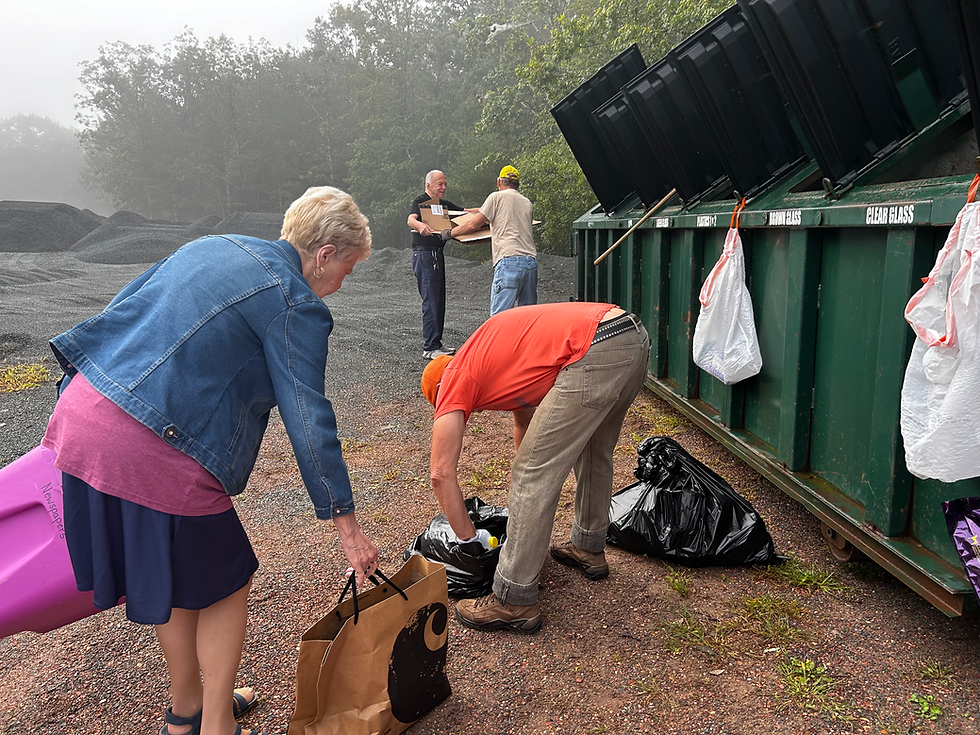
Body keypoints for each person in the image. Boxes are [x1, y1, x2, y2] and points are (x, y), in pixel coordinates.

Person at [42, 186, 380, 735]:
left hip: (84, 409)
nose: (342, 282)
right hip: (148, 439)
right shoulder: (295, 301)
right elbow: (308, 416)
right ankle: (215, 725)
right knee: (227, 578)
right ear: (324, 254)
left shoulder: (214, 244)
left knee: (184, 576)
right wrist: (347, 526)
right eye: (347, 267)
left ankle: (187, 710)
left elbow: (124, 310)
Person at [420, 302, 650, 633]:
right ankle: (588, 546)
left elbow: (440, 474)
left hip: (594, 346)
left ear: (441, 391)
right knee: (594, 450)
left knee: (532, 471)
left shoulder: (455, 376)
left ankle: (513, 597)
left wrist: (469, 539)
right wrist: (529, 476)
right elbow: (525, 423)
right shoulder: (492, 359)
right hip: (630, 337)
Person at [440, 165, 536, 315]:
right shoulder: (527, 203)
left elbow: (473, 225)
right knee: (527, 318)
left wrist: (449, 233)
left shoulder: (496, 197)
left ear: (499, 182)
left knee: (499, 318)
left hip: (508, 260)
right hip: (530, 262)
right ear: (518, 184)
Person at [408, 170, 460, 359]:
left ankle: (436, 344)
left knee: (438, 301)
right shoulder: (420, 201)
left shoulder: (443, 205)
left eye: (445, 184)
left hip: (437, 256)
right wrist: (420, 226)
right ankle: (429, 347)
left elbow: (466, 213)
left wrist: (489, 209)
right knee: (430, 300)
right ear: (428, 185)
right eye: (440, 184)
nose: (444, 187)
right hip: (424, 255)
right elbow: (410, 219)